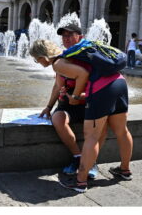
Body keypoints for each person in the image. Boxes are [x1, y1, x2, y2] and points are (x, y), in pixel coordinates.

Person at [30, 38, 133, 193]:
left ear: (43, 56)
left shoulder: (59, 63)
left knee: (91, 137)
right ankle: (124, 170)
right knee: (122, 131)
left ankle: (80, 182)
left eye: (36, 59)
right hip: (119, 82)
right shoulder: (72, 56)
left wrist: (76, 97)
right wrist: (50, 106)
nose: (37, 62)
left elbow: (83, 74)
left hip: (102, 88)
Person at [38, 24, 106, 179]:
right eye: (64, 36)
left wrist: (79, 96)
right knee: (57, 118)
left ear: (80, 37)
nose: (66, 39)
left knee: (101, 128)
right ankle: (77, 157)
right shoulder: (62, 58)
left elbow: (98, 81)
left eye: (70, 35)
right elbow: (57, 85)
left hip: (89, 101)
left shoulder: (90, 56)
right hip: (68, 103)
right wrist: (49, 107)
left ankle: (91, 161)